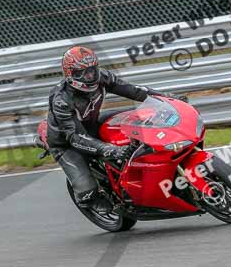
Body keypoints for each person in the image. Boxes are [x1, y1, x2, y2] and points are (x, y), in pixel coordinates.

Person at [45, 46, 177, 215]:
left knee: (138, 119)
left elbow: (133, 90)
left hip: (92, 123)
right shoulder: (61, 100)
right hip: (66, 141)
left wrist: (166, 98)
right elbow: (76, 137)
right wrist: (110, 149)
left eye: (92, 71)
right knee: (87, 189)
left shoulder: (102, 77)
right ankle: (87, 199)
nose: (90, 76)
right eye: (83, 73)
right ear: (70, 74)